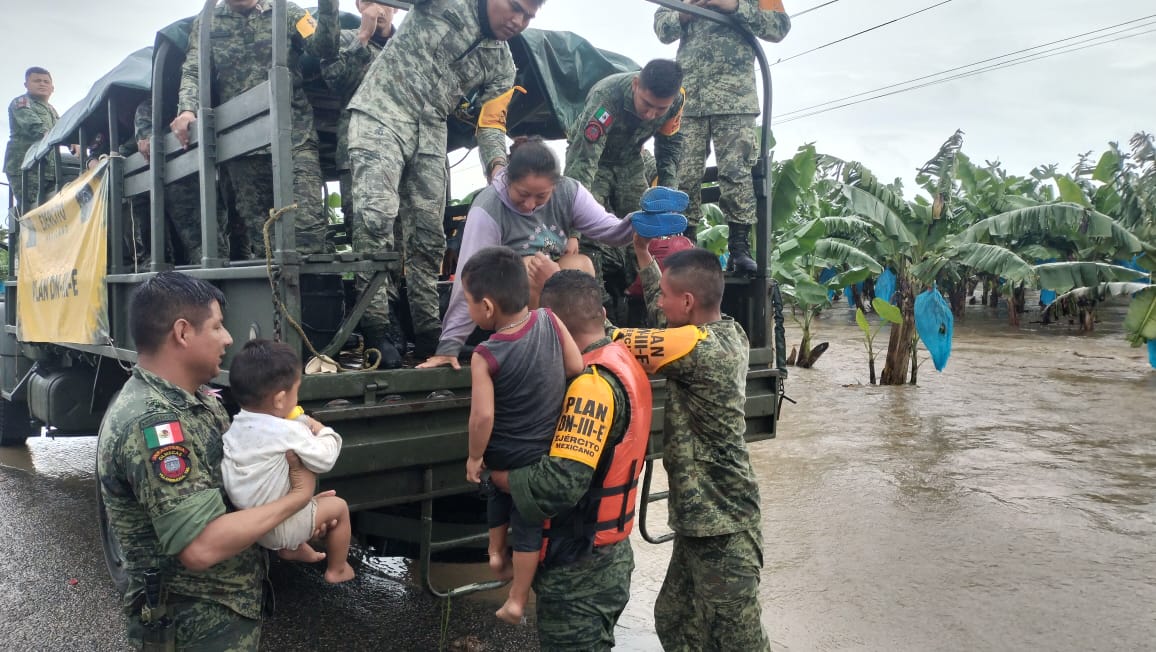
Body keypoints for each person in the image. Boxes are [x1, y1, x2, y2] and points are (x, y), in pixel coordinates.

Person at [96, 271, 336, 649]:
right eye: (217, 326)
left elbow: (236, 494)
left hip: (221, 616)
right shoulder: (153, 424)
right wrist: (297, 499)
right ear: (182, 332)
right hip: (192, 626)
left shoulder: (200, 402)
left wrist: (291, 525)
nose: (228, 338)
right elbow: (201, 547)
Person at [346, 0, 544, 364]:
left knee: (428, 237)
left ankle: (427, 333)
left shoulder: (502, 64)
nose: (519, 21)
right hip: (383, 109)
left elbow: (491, 122)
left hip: (430, 131)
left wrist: (498, 168)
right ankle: (378, 329)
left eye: (529, 16)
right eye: (514, 8)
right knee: (376, 218)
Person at [615, 238, 770, 650]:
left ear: (687, 302)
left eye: (667, 297)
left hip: (724, 525)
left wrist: (564, 310)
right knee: (676, 619)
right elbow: (657, 314)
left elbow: (614, 339)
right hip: (698, 523)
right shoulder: (723, 331)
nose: (660, 306)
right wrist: (644, 255)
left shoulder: (703, 350)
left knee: (738, 640)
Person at [489, 269, 654, 650]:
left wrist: (495, 477)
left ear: (554, 326)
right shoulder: (621, 356)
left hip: (579, 570)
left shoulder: (591, 386)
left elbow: (558, 485)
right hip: (607, 559)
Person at [418, 137, 636, 370]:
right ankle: (535, 353)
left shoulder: (569, 192)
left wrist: (641, 223)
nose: (530, 205)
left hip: (547, 293)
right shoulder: (488, 208)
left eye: (541, 197)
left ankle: (582, 349)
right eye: (522, 194)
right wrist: (449, 345)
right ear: (508, 180)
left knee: (580, 264)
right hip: (502, 303)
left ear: (556, 185)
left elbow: (611, 230)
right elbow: (469, 277)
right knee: (531, 266)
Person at [459, 246, 583, 624]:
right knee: (528, 526)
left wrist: (474, 456)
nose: (468, 311)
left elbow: (482, 416)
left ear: (487, 307)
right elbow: (576, 365)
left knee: (494, 490)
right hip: (540, 454)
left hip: (502, 454)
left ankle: (496, 555)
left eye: (467, 303)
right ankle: (517, 599)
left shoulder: (486, 354)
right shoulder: (549, 319)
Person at [170, 0, 330, 259]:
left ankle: (314, 297)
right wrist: (187, 109)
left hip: (294, 138)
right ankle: (274, 299)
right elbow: (194, 69)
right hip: (243, 146)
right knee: (263, 239)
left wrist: (329, 8)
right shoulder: (208, 20)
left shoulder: (286, 11)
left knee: (307, 231)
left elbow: (322, 46)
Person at [654, 0, 790, 274]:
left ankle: (739, 250)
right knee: (683, 176)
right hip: (689, 100)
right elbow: (661, 26)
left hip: (735, 98)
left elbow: (779, 26)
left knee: (736, 172)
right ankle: (684, 246)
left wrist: (734, 6)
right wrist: (684, 12)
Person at [221, 339, 355, 584]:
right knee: (338, 506)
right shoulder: (289, 432)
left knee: (285, 483)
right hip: (278, 525)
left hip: (252, 523)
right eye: (297, 391)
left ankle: (293, 547)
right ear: (281, 400)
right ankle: (338, 569)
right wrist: (320, 428)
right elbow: (325, 459)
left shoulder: (236, 426)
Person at [564, 59, 685, 321]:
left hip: (630, 161)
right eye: (647, 105)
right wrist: (572, 230)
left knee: (644, 229)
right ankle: (596, 313)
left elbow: (669, 148)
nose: (652, 114)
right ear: (635, 85)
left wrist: (668, 196)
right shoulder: (606, 97)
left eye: (659, 109)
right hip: (594, 161)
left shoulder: (676, 101)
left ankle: (647, 308)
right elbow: (583, 163)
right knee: (588, 233)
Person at [315, 0, 397, 235]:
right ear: (359, 7)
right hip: (357, 156)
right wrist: (363, 37)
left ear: (397, 6)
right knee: (364, 233)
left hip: (403, 155)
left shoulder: (410, 46)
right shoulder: (344, 40)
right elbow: (336, 81)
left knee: (405, 237)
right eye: (367, 1)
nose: (377, 8)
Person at [4, 67, 59, 211]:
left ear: (52, 88)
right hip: (26, 169)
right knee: (32, 212)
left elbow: (63, 128)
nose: (42, 84)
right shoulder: (21, 103)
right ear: (26, 84)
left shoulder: (51, 110)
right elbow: (35, 128)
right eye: (37, 81)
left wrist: (74, 143)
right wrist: (59, 135)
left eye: (46, 82)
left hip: (48, 169)